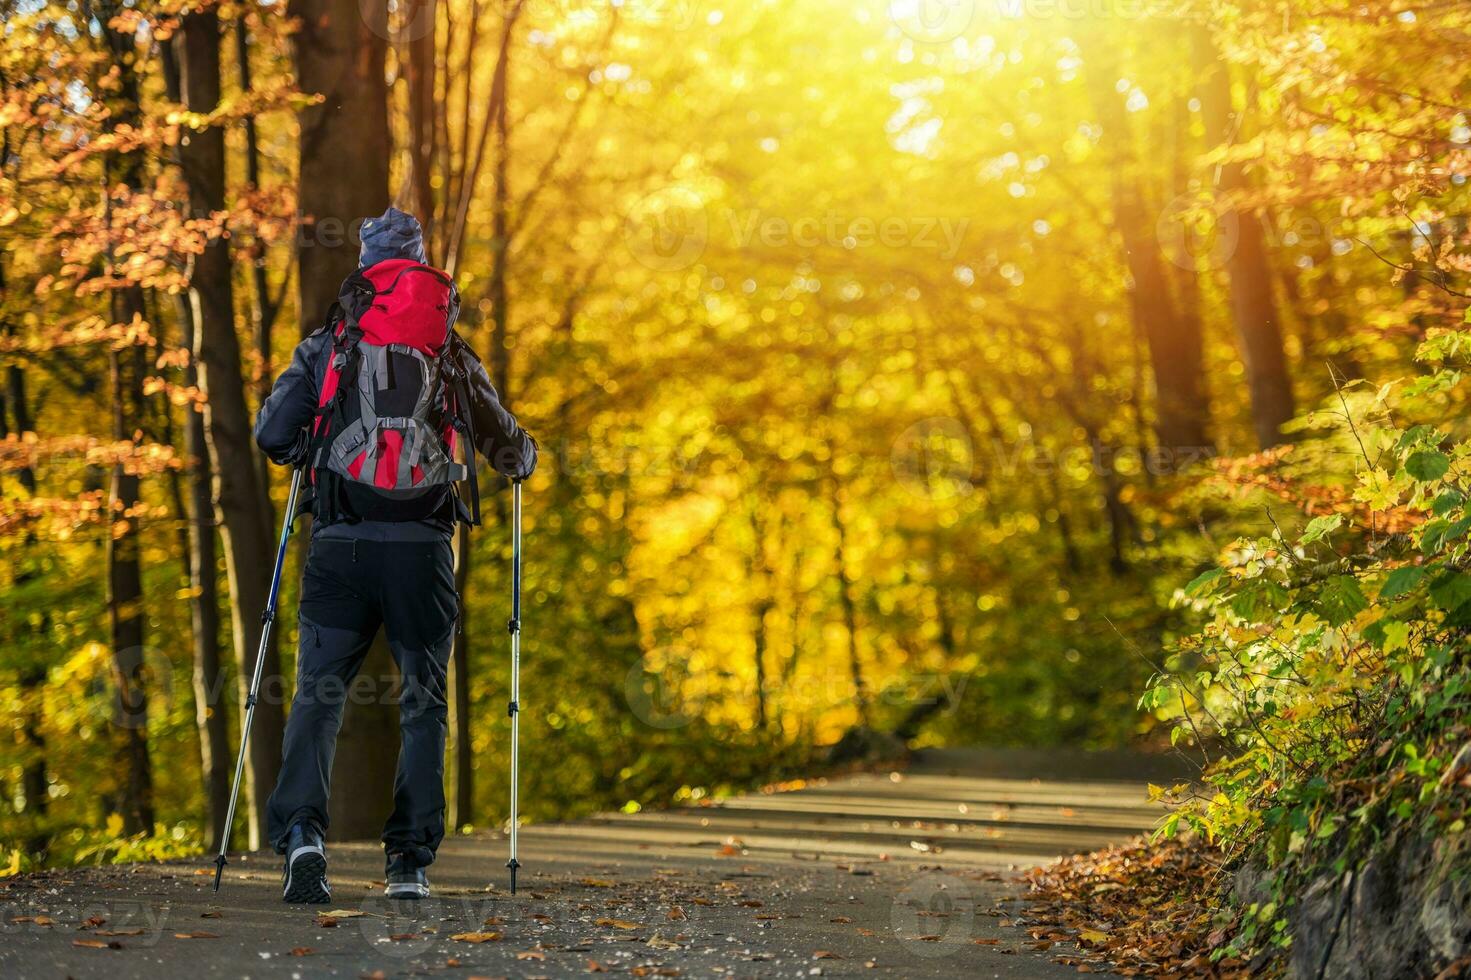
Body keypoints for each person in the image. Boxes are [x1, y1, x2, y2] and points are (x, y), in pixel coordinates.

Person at [254, 207, 536, 904]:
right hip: (422, 551)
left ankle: (304, 837)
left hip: (341, 545)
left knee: (319, 697)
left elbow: (272, 433)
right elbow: (507, 450)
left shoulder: (327, 344)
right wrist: (522, 454)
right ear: (419, 267)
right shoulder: (446, 347)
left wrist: (308, 450)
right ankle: (407, 864)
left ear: (364, 266)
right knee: (423, 704)